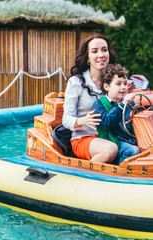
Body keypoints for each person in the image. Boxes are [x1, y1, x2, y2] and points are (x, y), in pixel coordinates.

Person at [62, 34, 118, 163]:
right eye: (94, 51)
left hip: (110, 136)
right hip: (83, 138)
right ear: (87, 57)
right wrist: (83, 120)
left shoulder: (116, 82)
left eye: (104, 50)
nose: (101, 55)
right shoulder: (76, 82)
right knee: (110, 149)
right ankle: (85, 177)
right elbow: (66, 119)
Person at [92, 64, 140, 165]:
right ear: (107, 86)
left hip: (130, 140)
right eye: (118, 84)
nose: (123, 87)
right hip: (112, 142)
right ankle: (119, 173)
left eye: (125, 84)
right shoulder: (99, 104)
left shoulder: (130, 103)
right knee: (132, 151)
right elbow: (106, 123)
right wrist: (122, 105)